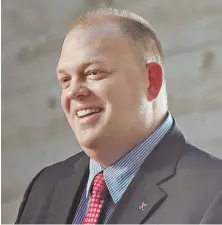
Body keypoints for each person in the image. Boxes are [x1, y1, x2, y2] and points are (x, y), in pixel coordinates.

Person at [15, 8, 222, 224]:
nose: (73, 91)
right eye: (65, 79)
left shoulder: (213, 191)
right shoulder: (45, 188)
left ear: (151, 80)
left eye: (94, 72)